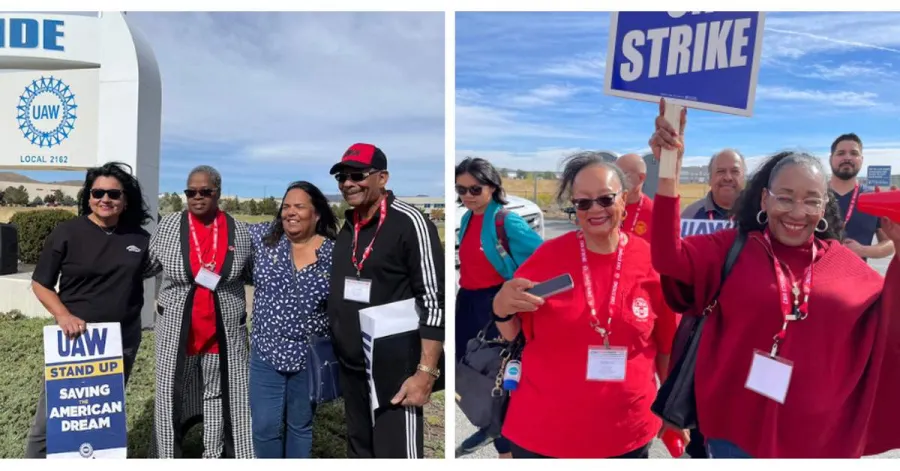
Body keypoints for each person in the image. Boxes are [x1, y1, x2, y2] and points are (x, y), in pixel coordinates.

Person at [648, 98, 900, 458]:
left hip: (818, 439)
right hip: (735, 432)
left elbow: (890, 327)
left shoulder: (843, 263)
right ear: (764, 200)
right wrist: (668, 170)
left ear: (824, 204)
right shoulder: (730, 248)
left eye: (812, 201)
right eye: (785, 198)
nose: (798, 213)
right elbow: (666, 256)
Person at [490, 154, 679, 459]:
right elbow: (512, 333)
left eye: (605, 199)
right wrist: (500, 307)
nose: (595, 210)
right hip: (544, 434)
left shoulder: (652, 262)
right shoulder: (546, 258)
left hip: (626, 434)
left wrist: (673, 409)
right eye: (583, 203)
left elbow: (667, 346)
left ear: (625, 198)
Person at [24, 162, 153, 458]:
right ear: (89, 196)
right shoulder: (67, 232)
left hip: (122, 339)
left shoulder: (140, 239)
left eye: (113, 194)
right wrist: (63, 315)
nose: (105, 199)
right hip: (75, 340)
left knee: (101, 417)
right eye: (98, 192)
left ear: (125, 200)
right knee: (53, 417)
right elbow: (41, 284)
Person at [327, 143, 445, 459]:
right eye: (341, 176)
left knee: (396, 455)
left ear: (383, 178)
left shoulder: (410, 222)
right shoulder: (350, 223)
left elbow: (434, 302)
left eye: (357, 175)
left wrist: (425, 373)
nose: (347, 183)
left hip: (395, 373)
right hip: (352, 367)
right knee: (360, 449)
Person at [146, 165, 254, 458]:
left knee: (217, 395)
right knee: (169, 395)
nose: (197, 197)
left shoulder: (238, 230)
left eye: (205, 191)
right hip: (176, 332)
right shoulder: (168, 227)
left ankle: (214, 453)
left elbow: (251, 272)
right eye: (190, 192)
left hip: (223, 334)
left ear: (217, 193)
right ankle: (167, 457)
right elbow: (146, 266)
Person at [454, 157, 543, 458]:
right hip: (467, 301)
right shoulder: (467, 219)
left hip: (494, 304)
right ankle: (492, 424)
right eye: (461, 190)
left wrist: (517, 295)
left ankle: (507, 443)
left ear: (491, 187)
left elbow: (543, 260)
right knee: (469, 366)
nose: (467, 196)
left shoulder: (505, 220)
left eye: (474, 189)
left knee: (498, 372)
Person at [246, 181, 338, 458]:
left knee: (300, 426)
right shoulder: (265, 240)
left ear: (317, 213)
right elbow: (227, 230)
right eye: (285, 207)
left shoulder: (334, 253)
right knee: (264, 427)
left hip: (308, 356)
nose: (290, 212)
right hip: (266, 351)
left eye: (299, 206)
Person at [827, 133, 895, 261]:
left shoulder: (874, 199)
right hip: (814, 278)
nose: (847, 158)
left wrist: (862, 250)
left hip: (857, 278)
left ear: (861, 159)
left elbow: (889, 244)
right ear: (831, 159)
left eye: (854, 153)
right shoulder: (815, 195)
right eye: (841, 153)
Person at [681, 149, 747, 221]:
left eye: (735, 171)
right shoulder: (690, 215)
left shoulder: (757, 213)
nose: (728, 178)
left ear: (744, 178)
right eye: (721, 171)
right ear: (710, 179)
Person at [616, 153, 654, 241]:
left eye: (623, 175)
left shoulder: (656, 213)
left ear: (641, 177)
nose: (616, 180)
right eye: (614, 175)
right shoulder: (606, 208)